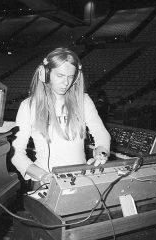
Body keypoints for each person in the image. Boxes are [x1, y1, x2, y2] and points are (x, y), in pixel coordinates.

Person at [11, 47, 111, 187]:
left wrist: (101, 153)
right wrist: (44, 176)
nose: (66, 83)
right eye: (60, 76)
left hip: (81, 178)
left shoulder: (84, 100)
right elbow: (16, 154)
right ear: (45, 73)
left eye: (71, 77)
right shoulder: (28, 106)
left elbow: (101, 134)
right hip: (45, 181)